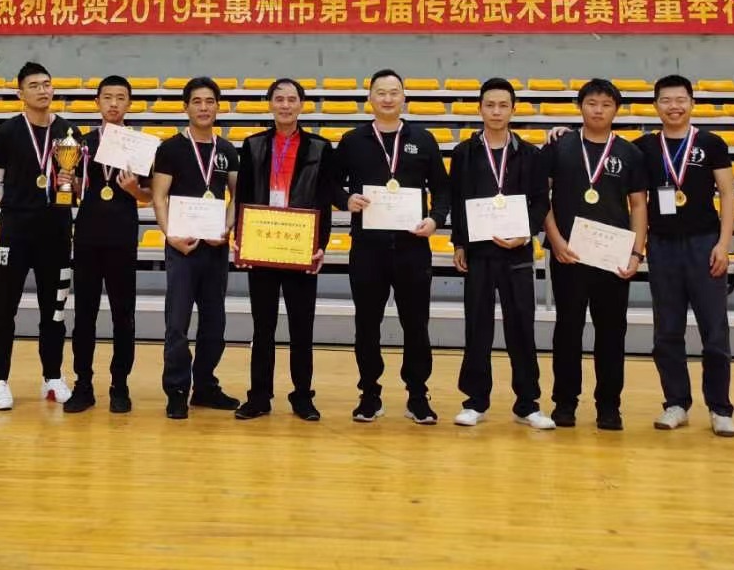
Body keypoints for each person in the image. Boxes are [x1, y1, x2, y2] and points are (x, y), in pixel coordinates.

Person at [334, 69, 451, 424]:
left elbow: (442, 189)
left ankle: (417, 395)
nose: (387, 98)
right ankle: (369, 394)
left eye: (394, 92)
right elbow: (330, 184)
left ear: (404, 98)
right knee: (367, 324)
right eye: (381, 92)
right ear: (369, 98)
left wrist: (435, 220)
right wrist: (345, 200)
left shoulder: (423, 139)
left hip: (412, 247)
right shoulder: (352, 140)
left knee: (416, 324)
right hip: (367, 249)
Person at [543, 78, 647, 431]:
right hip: (569, 255)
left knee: (612, 332)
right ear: (580, 107)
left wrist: (636, 253)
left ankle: (609, 406)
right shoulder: (560, 146)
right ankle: (564, 403)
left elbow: (638, 205)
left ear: (616, 109)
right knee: (568, 330)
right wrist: (556, 240)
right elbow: (543, 197)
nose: (598, 110)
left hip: (613, 258)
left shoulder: (630, 153)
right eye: (591, 103)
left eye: (606, 104)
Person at [233, 78, 339, 422]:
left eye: (292, 99)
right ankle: (259, 396)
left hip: (300, 249)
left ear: (301, 105)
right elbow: (243, 196)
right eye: (279, 99)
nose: (285, 105)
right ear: (270, 104)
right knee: (262, 327)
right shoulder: (252, 145)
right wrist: (241, 240)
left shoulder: (320, 148)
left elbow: (324, 201)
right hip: (262, 246)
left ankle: (302, 397)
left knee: (301, 328)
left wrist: (320, 245)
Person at [635, 75, 734, 437]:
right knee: (667, 331)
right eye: (666, 100)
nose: (674, 106)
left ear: (692, 103)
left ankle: (720, 407)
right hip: (661, 246)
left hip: (704, 244)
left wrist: (724, 244)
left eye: (680, 99)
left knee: (715, 331)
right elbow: (636, 199)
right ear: (656, 105)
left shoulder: (711, 143)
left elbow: (728, 194)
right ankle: (676, 403)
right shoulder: (644, 148)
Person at [450, 78, 553, 430]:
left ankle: (528, 404)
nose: (496, 111)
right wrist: (459, 243)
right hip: (479, 252)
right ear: (480, 108)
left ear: (513, 109)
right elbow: (457, 200)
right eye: (490, 105)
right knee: (477, 326)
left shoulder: (530, 154)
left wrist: (526, 233)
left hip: (517, 252)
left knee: (521, 328)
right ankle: (474, 401)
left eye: (503, 105)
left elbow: (540, 202)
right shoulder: (464, 153)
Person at [0, 62, 81, 410]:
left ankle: (52, 377)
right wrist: (20, 208)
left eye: (47, 84)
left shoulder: (69, 132)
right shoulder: (5, 133)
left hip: (56, 234)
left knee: (54, 311)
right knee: (3, 309)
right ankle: (0, 381)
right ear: (20, 93)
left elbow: (78, 183)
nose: (42, 90)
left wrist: (71, 186)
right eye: (34, 85)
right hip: (15, 234)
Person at [151, 76, 240, 420]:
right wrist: (170, 235)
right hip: (181, 248)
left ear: (218, 106)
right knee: (177, 323)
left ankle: (204, 387)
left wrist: (226, 228)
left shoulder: (227, 150)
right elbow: (159, 197)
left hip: (214, 248)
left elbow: (237, 197)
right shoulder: (170, 149)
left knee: (214, 323)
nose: (204, 108)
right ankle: (176, 390)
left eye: (210, 101)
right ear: (186, 107)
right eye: (197, 102)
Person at [64, 75, 153, 416]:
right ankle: (83, 384)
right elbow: (73, 191)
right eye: (107, 97)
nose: (114, 103)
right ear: (97, 102)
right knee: (84, 315)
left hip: (122, 237)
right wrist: (69, 183)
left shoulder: (140, 145)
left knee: (123, 316)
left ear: (129, 103)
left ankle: (120, 385)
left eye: (120, 98)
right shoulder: (80, 143)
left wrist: (133, 190)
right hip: (87, 237)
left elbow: (148, 195)